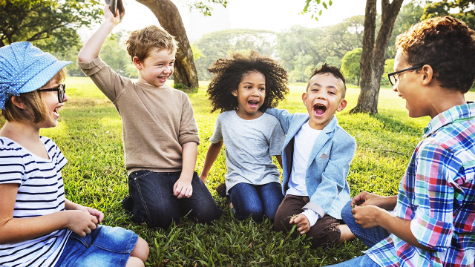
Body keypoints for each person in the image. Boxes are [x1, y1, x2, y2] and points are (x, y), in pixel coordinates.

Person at [328, 16, 475, 267]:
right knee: (347, 212)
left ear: (425, 74)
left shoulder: (438, 148)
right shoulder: (467, 126)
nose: (395, 87)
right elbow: (452, 197)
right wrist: (385, 202)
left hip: (429, 259)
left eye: (397, 75)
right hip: (465, 251)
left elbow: (429, 239)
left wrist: (380, 217)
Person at [0, 41, 149, 267]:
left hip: (60, 238)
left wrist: (75, 209)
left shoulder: (47, 145)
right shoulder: (7, 155)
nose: (65, 98)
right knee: (134, 264)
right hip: (36, 258)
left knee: (141, 248)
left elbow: (43, 199)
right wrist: (66, 219)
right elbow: (3, 228)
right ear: (20, 100)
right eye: (56, 90)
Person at [77, 5, 222, 229]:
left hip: (178, 169)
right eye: (160, 64)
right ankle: (136, 200)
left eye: (171, 63)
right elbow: (86, 60)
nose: (167, 70)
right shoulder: (123, 90)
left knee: (207, 214)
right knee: (163, 219)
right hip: (145, 172)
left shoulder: (181, 98)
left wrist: (185, 177)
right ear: (138, 63)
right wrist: (110, 23)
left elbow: (189, 141)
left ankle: (166, 197)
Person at [266, 63, 356, 248]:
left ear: (341, 105)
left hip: (326, 196)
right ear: (305, 99)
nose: (322, 95)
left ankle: (353, 227)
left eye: (331, 93)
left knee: (318, 235)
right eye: (316, 90)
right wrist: (252, 103)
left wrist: (311, 214)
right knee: (281, 223)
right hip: (296, 194)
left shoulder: (343, 141)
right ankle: (310, 220)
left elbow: (332, 182)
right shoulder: (295, 121)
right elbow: (274, 112)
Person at [199, 51, 288, 222]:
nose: (256, 93)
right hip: (239, 177)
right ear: (234, 90)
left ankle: (239, 195)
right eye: (248, 87)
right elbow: (216, 144)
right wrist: (204, 175)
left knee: (272, 215)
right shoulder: (225, 119)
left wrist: (293, 183)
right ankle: (233, 197)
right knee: (251, 212)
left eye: (261, 88)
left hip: (267, 177)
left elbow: (280, 155)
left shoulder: (271, 122)